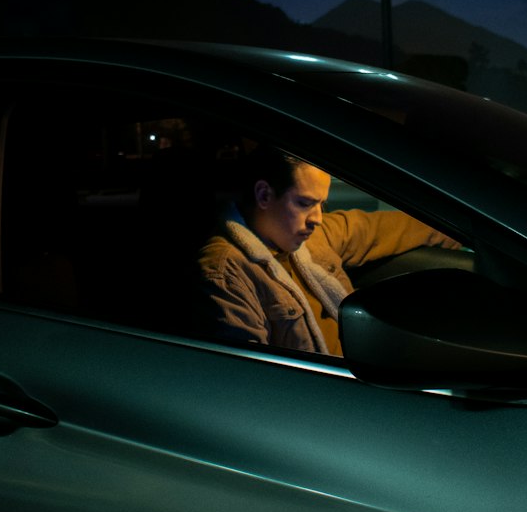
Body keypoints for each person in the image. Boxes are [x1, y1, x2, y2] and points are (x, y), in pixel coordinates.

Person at [196, 147, 460, 356]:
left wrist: (469, 230)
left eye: (322, 204)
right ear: (264, 195)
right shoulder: (227, 271)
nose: (318, 219)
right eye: (305, 203)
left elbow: (405, 228)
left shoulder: (315, 237)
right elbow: (253, 378)